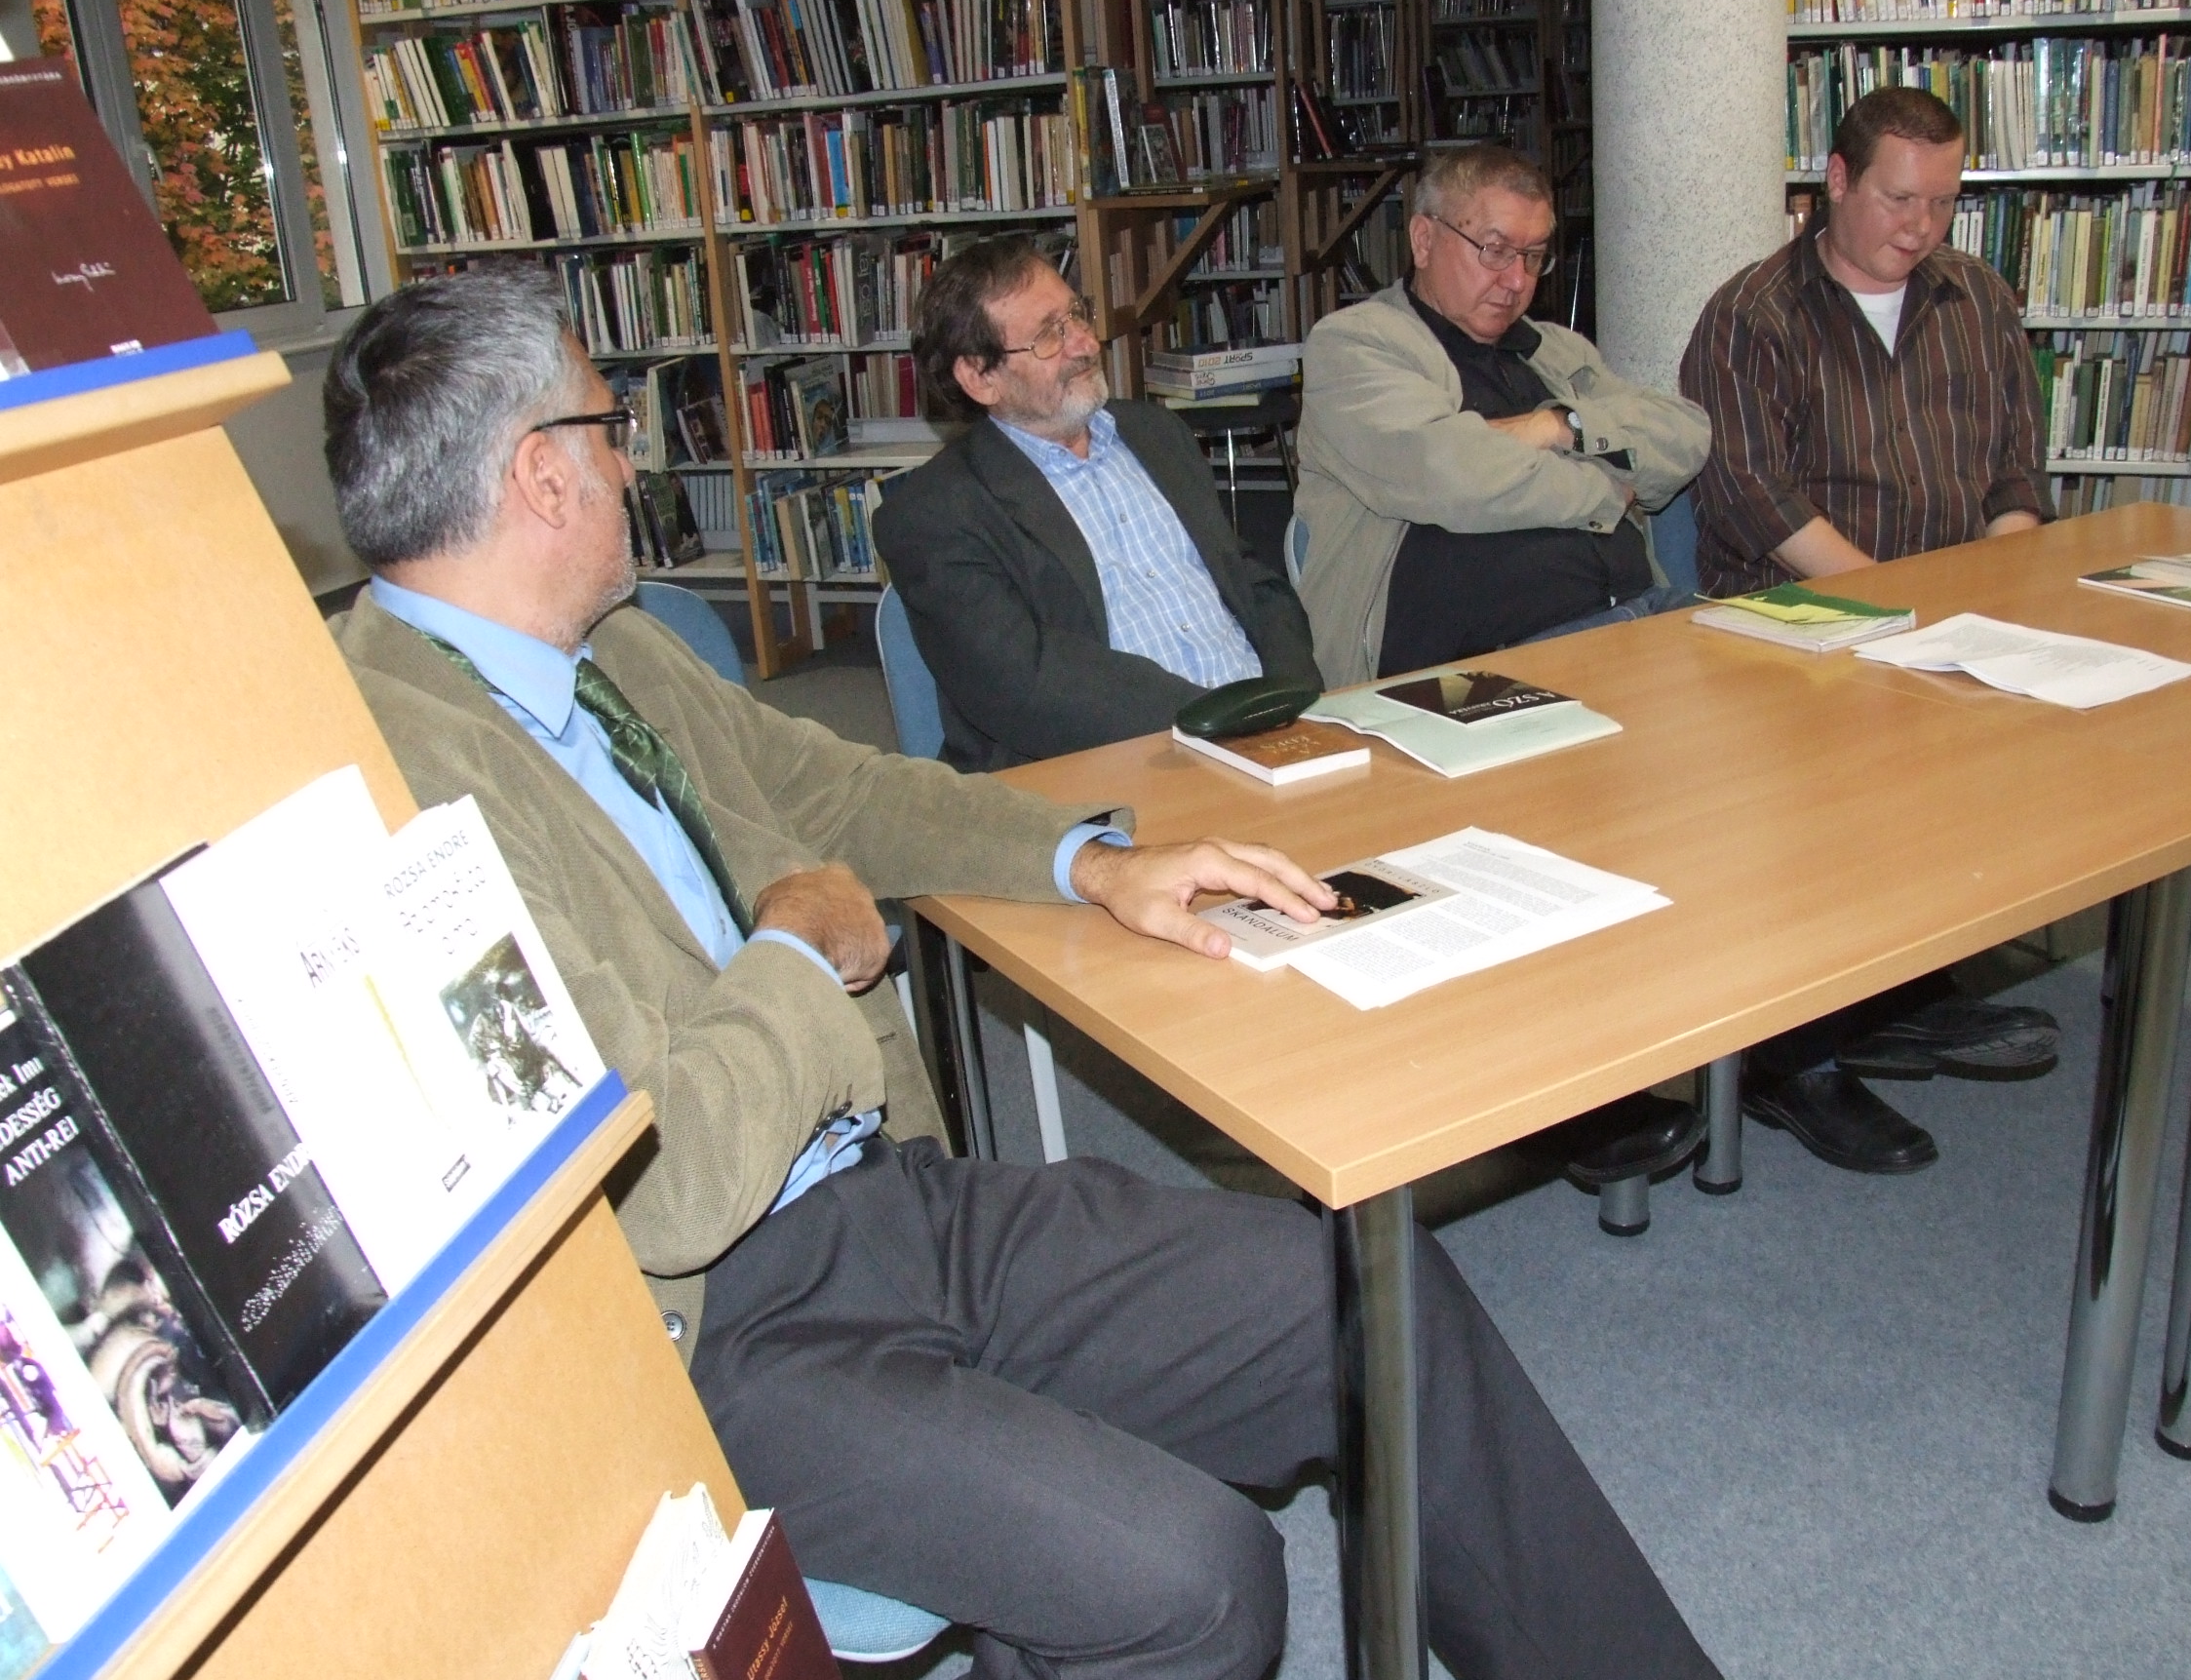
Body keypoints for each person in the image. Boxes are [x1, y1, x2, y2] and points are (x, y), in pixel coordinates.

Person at [321, 266, 1724, 1680]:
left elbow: (835, 784)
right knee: (1199, 1580)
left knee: (1369, 1305)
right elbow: (665, 1183)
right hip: (711, 1336)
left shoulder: (612, 649)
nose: (632, 463)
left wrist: (1091, 863)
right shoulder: (383, 783)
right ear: (542, 474)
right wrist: (799, 948)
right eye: (609, 427)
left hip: (881, 1192)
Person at [1678, 85, 2058, 1177]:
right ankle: (1793, 1060)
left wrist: (2005, 567)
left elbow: (2014, 466)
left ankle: (1899, 993)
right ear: (1835, 182)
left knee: (1989, 774)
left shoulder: (1977, 298)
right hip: (1792, 630)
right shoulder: (1753, 314)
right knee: (1817, 811)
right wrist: (1900, 608)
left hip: (1948, 614)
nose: (1921, 227)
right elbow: (1752, 496)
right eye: (1899, 199)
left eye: (1942, 202)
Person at [873, 237, 1318, 770]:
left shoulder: (1157, 434)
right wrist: (1224, 723)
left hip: (1268, 730)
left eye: (1077, 315)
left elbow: (1248, 580)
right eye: (1048, 335)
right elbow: (1024, 683)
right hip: (1120, 762)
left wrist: (1291, 695)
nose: (1085, 343)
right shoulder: (935, 513)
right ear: (980, 377)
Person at [1295, 142, 1713, 690]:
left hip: (1639, 616)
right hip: (1470, 672)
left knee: (1782, 689)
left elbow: (1687, 432)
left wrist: (1559, 426)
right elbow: (1449, 476)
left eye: (1533, 256)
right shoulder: (1354, 345)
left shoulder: (1555, 351)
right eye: (1494, 250)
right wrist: (1609, 489)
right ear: (1423, 240)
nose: (1517, 280)